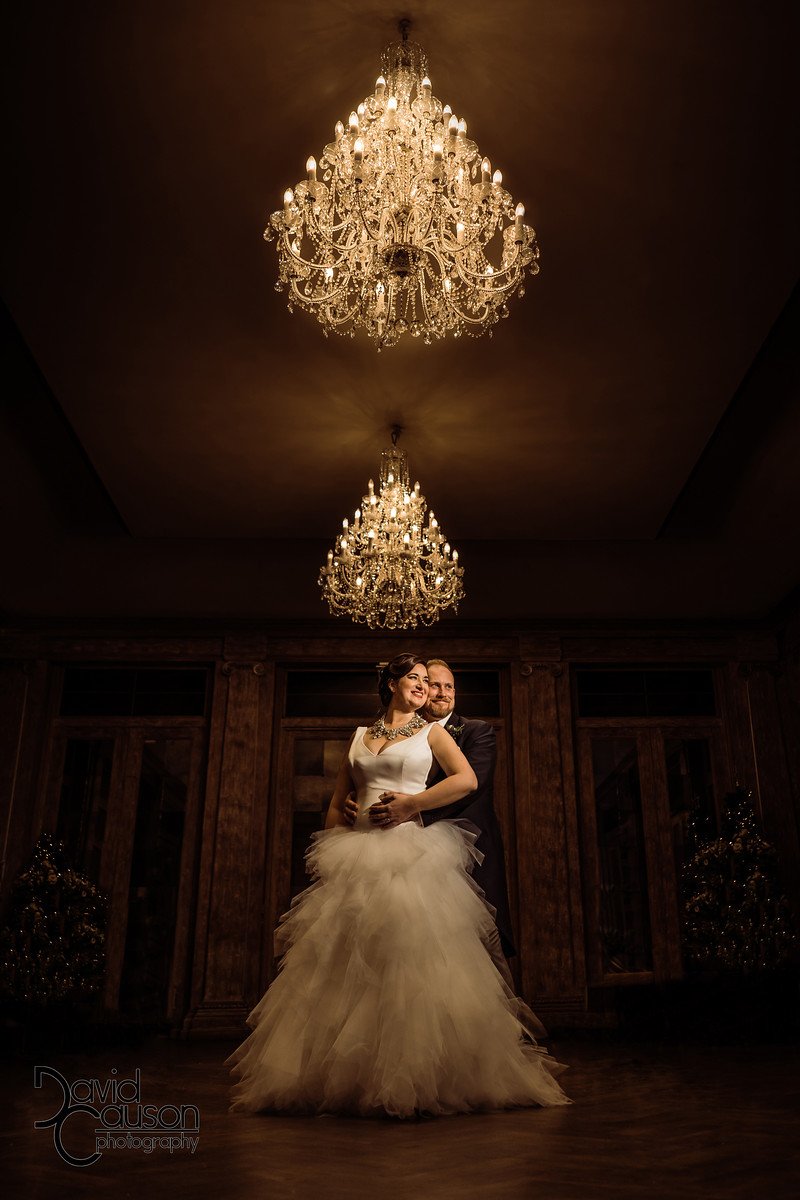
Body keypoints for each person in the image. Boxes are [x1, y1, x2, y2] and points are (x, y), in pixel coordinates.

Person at [226, 653, 569, 1118]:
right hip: (357, 856)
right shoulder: (358, 737)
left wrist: (413, 806)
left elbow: (468, 780)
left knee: (410, 961)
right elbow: (334, 805)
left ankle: (417, 1075)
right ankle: (343, 1075)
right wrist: (342, 824)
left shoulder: (434, 733)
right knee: (345, 962)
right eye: (416, 678)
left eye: (431, 682)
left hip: (410, 853)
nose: (426, 687)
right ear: (390, 683)